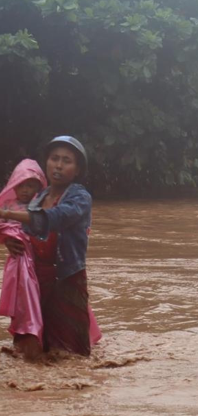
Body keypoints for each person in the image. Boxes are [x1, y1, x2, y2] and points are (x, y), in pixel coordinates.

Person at [1, 136, 101, 356]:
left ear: (77, 170)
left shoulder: (80, 197)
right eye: (54, 158)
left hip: (67, 278)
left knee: (70, 351)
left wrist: (7, 213)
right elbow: (25, 231)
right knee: (35, 348)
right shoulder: (39, 196)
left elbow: (56, 217)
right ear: (46, 163)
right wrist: (10, 241)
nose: (58, 165)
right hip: (37, 279)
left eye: (67, 161)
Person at [0, 159, 47, 359]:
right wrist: (6, 238)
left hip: (39, 261)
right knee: (22, 297)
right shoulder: (7, 205)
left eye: (31, 185)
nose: (26, 190)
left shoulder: (42, 207)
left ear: (38, 187)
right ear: (14, 185)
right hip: (18, 260)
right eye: (22, 185)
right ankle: (25, 338)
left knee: (41, 301)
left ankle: (35, 338)